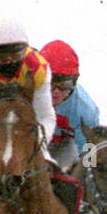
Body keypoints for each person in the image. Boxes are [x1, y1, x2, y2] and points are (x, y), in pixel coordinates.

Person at [0, 14, 95, 214]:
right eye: (55, 82)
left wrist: (87, 174)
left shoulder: (83, 109)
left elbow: (85, 146)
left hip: (47, 139)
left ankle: (77, 212)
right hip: (0, 126)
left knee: (65, 174)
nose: (57, 91)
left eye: (65, 85)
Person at [39, 40, 101, 169]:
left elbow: (90, 158)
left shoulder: (86, 111)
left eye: (64, 85)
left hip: (62, 147)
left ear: (74, 82)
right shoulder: (27, 92)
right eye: (50, 82)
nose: (56, 91)